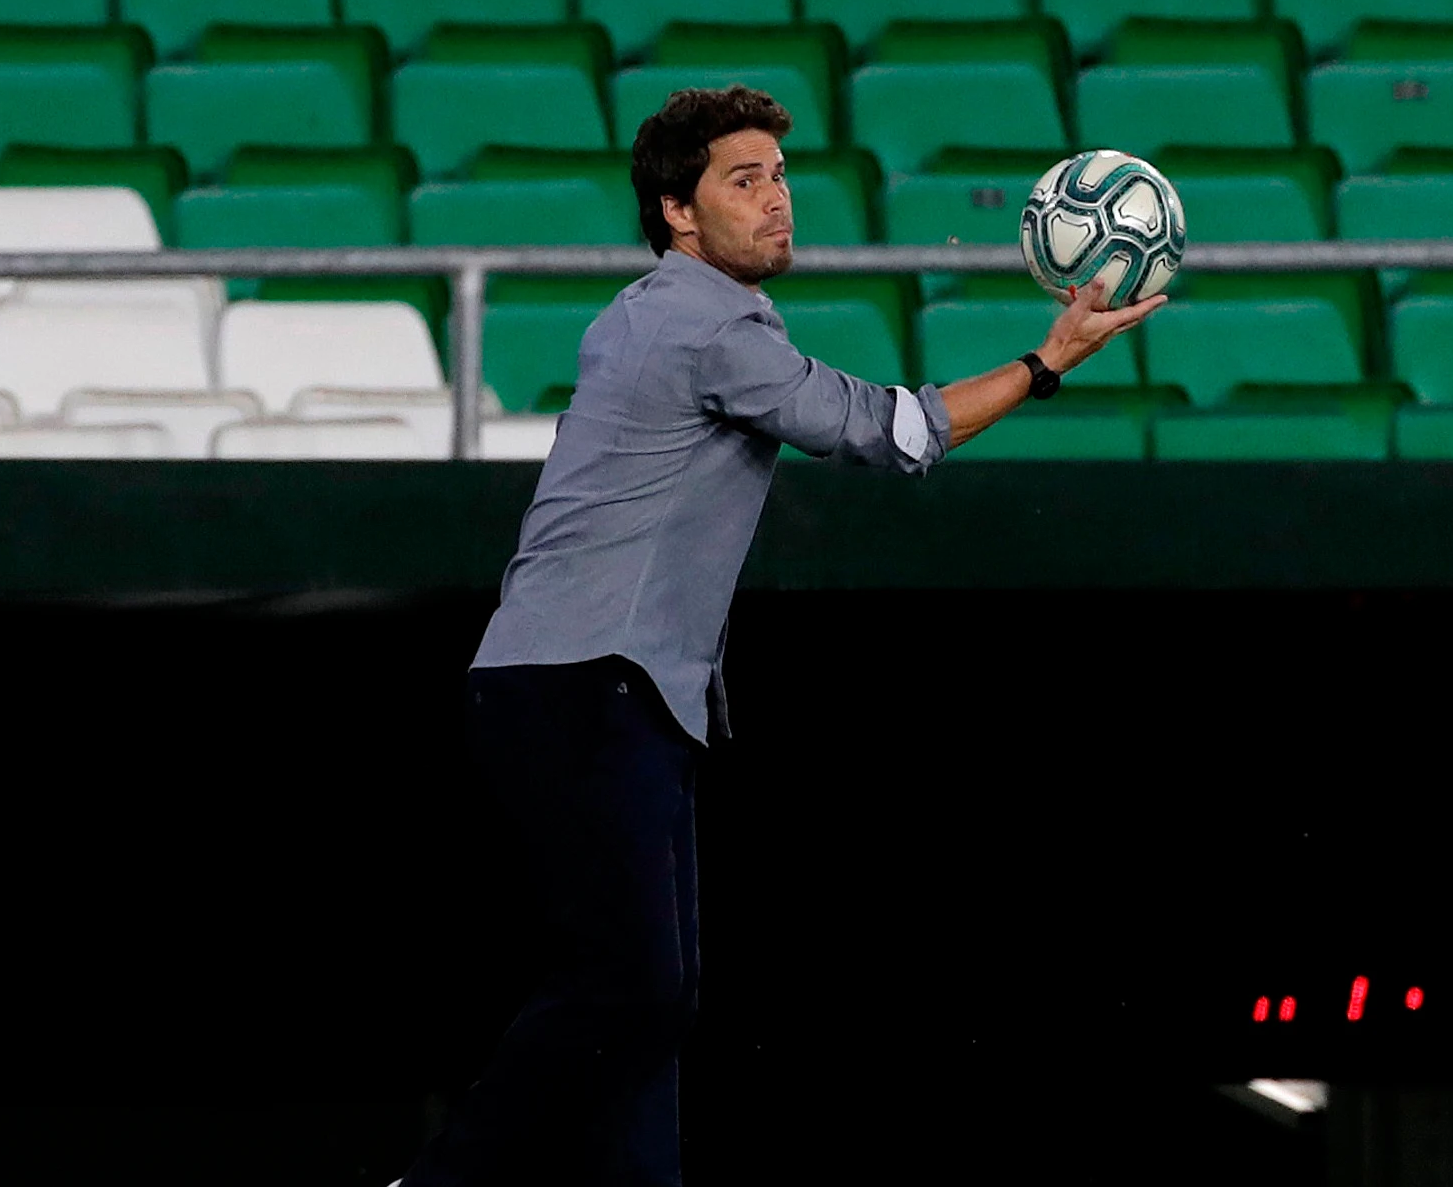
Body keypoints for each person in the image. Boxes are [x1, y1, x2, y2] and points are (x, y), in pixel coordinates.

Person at [396, 86, 1164, 1187]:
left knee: (653, 1001)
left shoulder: (645, 310)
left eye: (780, 176)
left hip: (591, 689)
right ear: (677, 212)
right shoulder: (708, 320)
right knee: (636, 989)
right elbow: (889, 432)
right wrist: (1048, 361)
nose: (776, 199)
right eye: (741, 179)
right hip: (585, 685)